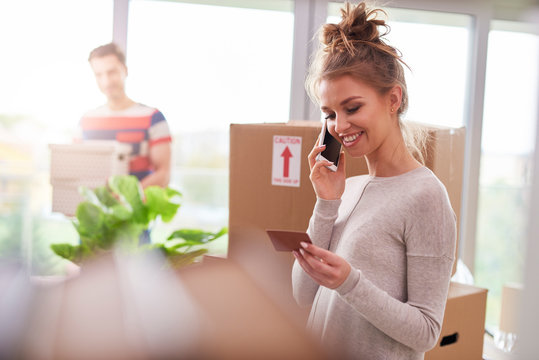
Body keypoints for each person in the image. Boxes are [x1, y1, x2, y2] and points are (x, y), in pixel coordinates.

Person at [291, 2, 456, 359]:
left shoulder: (425, 196)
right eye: (330, 114)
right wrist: (325, 203)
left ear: (393, 99)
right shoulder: (345, 190)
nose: (339, 126)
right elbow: (302, 295)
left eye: (352, 108)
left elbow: (426, 332)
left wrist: (350, 283)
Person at [80, 42, 172, 189]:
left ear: (125, 70)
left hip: (136, 211)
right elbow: (77, 169)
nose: (106, 81)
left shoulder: (153, 118)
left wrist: (128, 198)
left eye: (112, 72)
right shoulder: (86, 121)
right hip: (96, 210)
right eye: (99, 75)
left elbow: (164, 173)